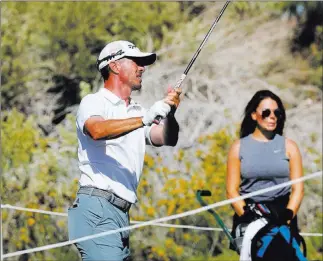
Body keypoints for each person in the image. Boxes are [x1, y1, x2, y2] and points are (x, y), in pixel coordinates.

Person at [68, 40, 182, 261]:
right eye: (136, 62)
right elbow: (97, 130)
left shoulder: (138, 110)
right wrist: (144, 119)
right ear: (115, 66)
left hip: (120, 213)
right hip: (97, 208)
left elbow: (165, 138)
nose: (142, 68)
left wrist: (171, 113)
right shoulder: (94, 101)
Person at [226, 90, 304, 258]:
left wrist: (288, 215)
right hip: (251, 217)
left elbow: (298, 189)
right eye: (266, 112)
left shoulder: (290, 147)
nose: (272, 117)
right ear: (254, 115)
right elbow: (231, 191)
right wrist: (247, 215)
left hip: (283, 216)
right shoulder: (238, 147)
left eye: (277, 113)